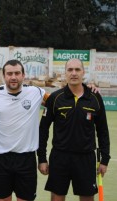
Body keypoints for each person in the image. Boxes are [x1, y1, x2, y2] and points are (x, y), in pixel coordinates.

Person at [37, 58, 111, 201]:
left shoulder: (95, 98)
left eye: (77, 69)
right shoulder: (55, 98)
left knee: (87, 197)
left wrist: (104, 160)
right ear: (65, 73)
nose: (74, 73)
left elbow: (103, 131)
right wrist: (42, 158)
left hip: (86, 158)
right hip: (60, 157)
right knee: (57, 197)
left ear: (83, 72)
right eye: (70, 70)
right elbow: (43, 130)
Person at [0, 59, 48, 201]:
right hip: (1, 159)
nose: (13, 77)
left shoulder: (36, 92)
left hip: (26, 159)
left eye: (17, 73)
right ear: (3, 76)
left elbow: (58, 100)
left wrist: (87, 89)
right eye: (9, 73)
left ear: (23, 75)